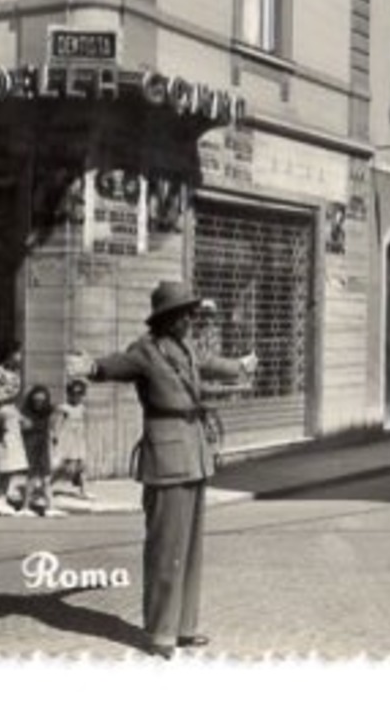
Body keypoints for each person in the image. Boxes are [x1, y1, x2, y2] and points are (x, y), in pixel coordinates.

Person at [70, 280, 257, 659]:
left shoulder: (184, 347)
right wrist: (90, 367)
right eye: (186, 313)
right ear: (169, 318)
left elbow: (209, 365)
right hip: (167, 458)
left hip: (194, 454)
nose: (191, 319)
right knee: (165, 549)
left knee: (189, 549)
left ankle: (183, 627)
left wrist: (239, 365)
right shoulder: (145, 351)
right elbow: (115, 366)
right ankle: (160, 632)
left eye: (191, 312)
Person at [0, 343, 30, 517]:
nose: (20, 357)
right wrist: (9, 397)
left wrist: (20, 416)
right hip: (1, 419)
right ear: (8, 354)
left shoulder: (16, 374)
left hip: (11, 418)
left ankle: (0, 493)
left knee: (14, 459)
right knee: (6, 458)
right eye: (17, 353)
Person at [19, 385, 68, 517]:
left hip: (43, 446)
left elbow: (62, 410)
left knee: (46, 478)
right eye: (36, 401)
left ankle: (49, 507)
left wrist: (56, 431)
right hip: (32, 447)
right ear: (32, 400)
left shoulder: (47, 410)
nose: (39, 404)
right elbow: (23, 427)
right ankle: (25, 506)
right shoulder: (26, 413)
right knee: (32, 477)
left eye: (41, 401)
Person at [51, 378, 93, 501]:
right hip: (67, 441)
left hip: (78, 440)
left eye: (79, 394)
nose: (76, 397)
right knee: (63, 467)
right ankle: (47, 485)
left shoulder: (82, 408)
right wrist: (55, 436)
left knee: (82, 466)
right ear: (69, 394)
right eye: (73, 394)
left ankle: (83, 490)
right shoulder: (64, 408)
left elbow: (85, 424)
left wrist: (86, 437)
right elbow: (57, 423)